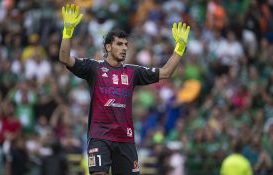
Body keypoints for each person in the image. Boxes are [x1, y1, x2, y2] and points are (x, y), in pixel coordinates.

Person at [59, 4, 190, 175]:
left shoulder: (132, 71)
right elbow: (64, 57)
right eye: (119, 44)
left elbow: (166, 73)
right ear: (108, 47)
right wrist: (67, 31)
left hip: (125, 139)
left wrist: (179, 47)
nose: (124, 48)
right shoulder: (94, 68)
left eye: (126, 44)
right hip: (100, 137)